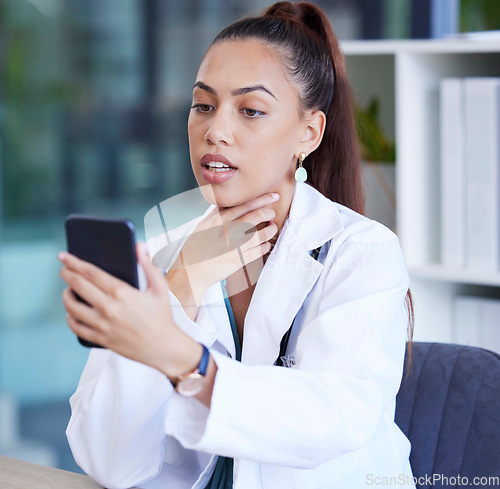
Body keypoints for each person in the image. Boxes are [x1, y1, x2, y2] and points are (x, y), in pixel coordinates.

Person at [59, 2, 416, 488]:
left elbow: (337, 418)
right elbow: (106, 459)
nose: (215, 131)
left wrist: (188, 363)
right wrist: (179, 284)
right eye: (203, 105)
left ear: (308, 133)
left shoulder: (362, 252)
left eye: (250, 110)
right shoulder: (167, 248)